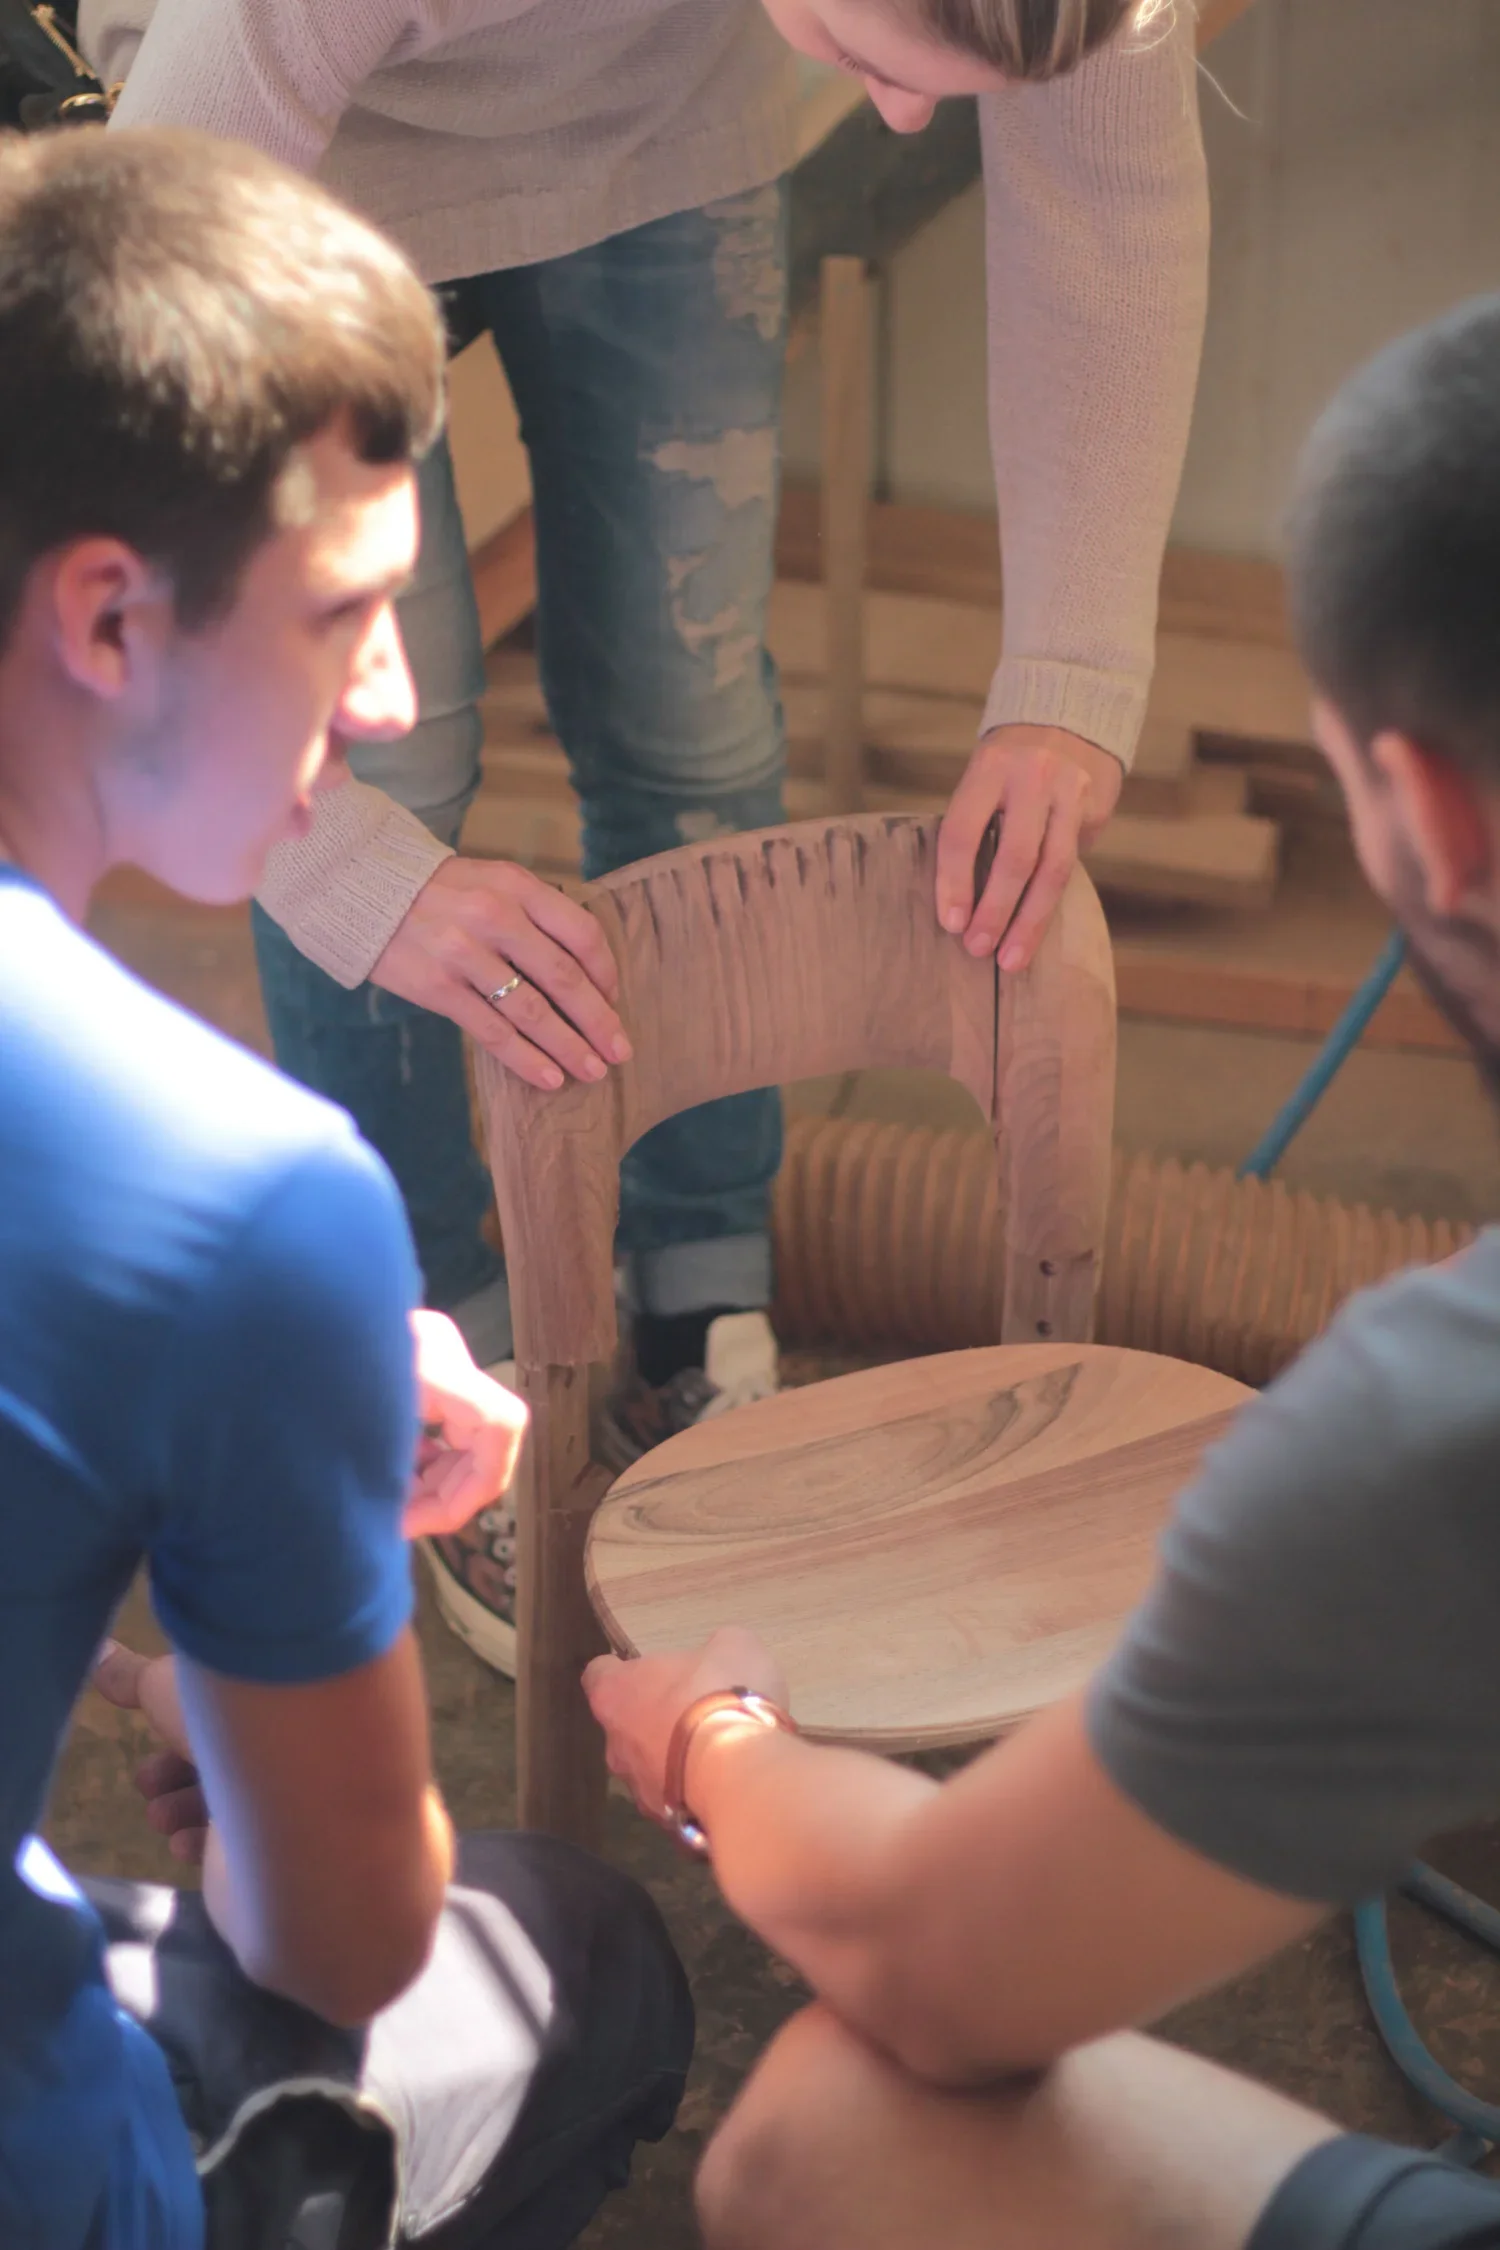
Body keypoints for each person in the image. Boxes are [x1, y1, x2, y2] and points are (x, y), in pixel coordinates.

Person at [77, 0, 1209, 1673]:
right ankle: (430, 1352)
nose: (904, 124)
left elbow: (1109, 202)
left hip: (662, 131)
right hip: (293, 167)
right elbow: (122, 376)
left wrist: (1071, 678)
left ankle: (700, 1288)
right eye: (883, 62)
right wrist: (352, 874)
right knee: (396, 748)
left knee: (693, 726)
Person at [586, 290, 1500, 2250]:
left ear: (1428, 810)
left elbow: (932, 1959)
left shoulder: (1444, 1428)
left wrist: (715, 1741)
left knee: (821, 2123)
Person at [0, 126, 689, 2250]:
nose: (389, 701)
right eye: (345, 614)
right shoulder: (245, 1196)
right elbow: (340, 1931)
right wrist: (270, 1558)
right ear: (108, 613)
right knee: (587, 1953)